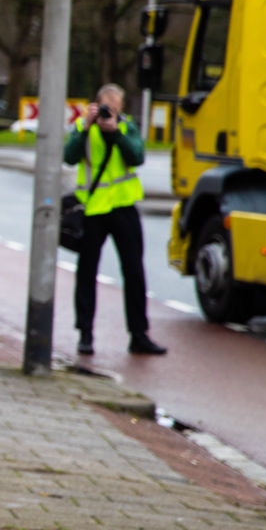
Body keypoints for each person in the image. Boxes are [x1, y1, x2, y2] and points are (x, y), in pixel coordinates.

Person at [64, 83, 166, 357]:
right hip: (94, 208)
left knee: (134, 272)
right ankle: (85, 334)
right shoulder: (83, 127)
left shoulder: (126, 127)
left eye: (115, 108)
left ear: (121, 108)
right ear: (96, 105)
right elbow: (69, 157)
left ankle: (139, 335)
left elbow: (137, 156)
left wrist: (117, 132)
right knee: (86, 272)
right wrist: (86, 127)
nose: (109, 113)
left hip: (123, 207)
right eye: (105, 107)